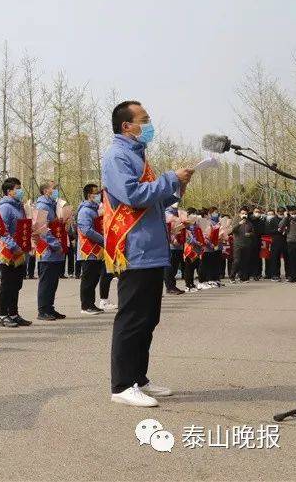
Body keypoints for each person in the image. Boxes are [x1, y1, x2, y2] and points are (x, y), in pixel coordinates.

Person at [102, 100, 192, 408]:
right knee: (132, 318)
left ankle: (139, 379)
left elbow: (156, 201)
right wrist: (169, 178)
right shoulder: (117, 156)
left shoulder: (137, 155)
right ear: (127, 126)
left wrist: (177, 186)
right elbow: (134, 196)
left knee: (147, 318)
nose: (149, 124)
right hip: (135, 249)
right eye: (145, 119)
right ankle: (122, 385)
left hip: (152, 248)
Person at [0, 177, 32, 328]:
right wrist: (13, 246)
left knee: (16, 284)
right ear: (9, 191)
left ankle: (14, 313)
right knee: (7, 284)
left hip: (20, 251)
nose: (20, 191)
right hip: (8, 252)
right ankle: (4, 315)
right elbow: (2, 230)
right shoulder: (5, 207)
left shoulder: (20, 207)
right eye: (17, 188)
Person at [34, 181, 66, 320]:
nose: (55, 191)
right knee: (46, 281)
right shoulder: (42, 206)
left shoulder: (53, 205)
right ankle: (43, 310)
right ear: (46, 190)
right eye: (54, 189)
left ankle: (50, 308)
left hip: (56, 248)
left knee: (53, 281)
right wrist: (55, 243)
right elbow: (42, 229)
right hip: (47, 249)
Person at [76, 183, 105, 315]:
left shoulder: (95, 210)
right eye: (96, 193)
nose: (98, 195)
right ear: (89, 195)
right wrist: (104, 240)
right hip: (88, 251)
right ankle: (86, 305)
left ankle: (91, 304)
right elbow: (87, 230)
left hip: (97, 250)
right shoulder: (85, 211)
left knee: (94, 278)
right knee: (88, 279)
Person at [163, 204, 186, 296]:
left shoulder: (179, 213)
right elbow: (167, 229)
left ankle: (173, 286)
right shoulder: (166, 212)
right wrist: (172, 239)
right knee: (170, 267)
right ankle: (170, 287)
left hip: (179, 244)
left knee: (175, 266)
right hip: (171, 245)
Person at [230, 206, 255, 282]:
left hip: (247, 244)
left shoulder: (249, 222)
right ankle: (232, 276)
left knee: (245, 261)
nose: (244, 215)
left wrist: (250, 234)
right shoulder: (236, 220)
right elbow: (232, 230)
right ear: (239, 214)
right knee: (237, 261)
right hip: (238, 244)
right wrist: (239, 224)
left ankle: (243, 277)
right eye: (243, 213)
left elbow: (253, 232)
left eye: (245, 213)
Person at [266, 207, 286, 281]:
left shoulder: (287, 219)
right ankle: (275, 275)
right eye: (279, 212)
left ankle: (289, 274)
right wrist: (278, 230)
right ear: (277, 212)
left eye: (282, 212)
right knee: (275, 259)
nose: (281, 213)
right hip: (276, 241)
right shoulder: (273, 220)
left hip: (286, 241)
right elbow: (268, 231)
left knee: (288, 259)